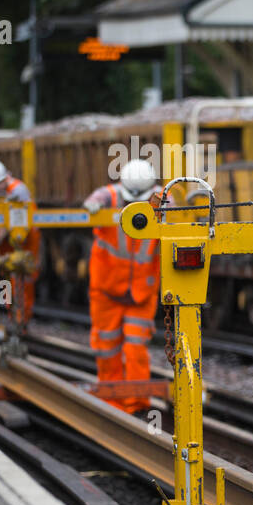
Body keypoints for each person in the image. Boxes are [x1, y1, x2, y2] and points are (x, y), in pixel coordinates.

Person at [83, 159, 161, 414]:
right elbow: (98, 196)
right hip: (107, 290)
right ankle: (112, 402)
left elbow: (174, 205)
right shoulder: (109, 196)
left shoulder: (160, 200)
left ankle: (137, 403)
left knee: (135, 349)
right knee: (107, 349)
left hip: (140, 292)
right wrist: (92, 205)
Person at [0, 159, 41, 324]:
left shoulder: (19, 190)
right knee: (3, 276)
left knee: (25, 277)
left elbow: (19, 220)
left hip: (25, 238)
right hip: (1, 240)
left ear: (6, 179)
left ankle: (22, 319)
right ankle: (10, 314)